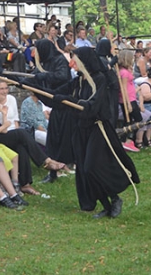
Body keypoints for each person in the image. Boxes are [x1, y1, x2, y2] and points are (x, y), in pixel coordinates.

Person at [51, 47, 140, 218]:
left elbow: (92, 106)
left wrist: (69, 100)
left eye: (75, 59)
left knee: (92, 167)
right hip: (81, 130)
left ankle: (114, 198)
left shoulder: (99, 79)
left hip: (98, 128)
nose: (73, 63)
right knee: (84, 170)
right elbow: (56, 93)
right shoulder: (78, 81)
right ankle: (107, 206)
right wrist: (28, 85)